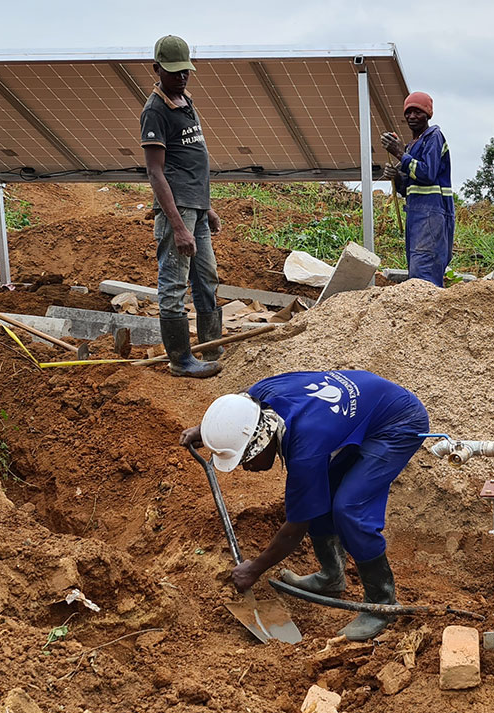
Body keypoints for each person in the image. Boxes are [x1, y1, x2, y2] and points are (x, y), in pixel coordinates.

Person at [180, 370, 430, 640]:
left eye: (245, 458)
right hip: (357, 411)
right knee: (319, 495)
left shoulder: (305, 452)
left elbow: (295, 528)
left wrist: (254, 569)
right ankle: (332, 576)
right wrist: (208, 432)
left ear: (261, 442)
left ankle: (381, 604)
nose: (245, 468)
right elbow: (236, 412)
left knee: (350, 509)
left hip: (397, 422)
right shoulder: (260, 396)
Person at [140, 35, 222, 379]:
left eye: (185, 71)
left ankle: (212, 347)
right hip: (178, 211)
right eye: (173, 72)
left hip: (196, 207)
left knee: (207, 278)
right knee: (174, 285)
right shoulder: (155, 111)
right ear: (157, 69)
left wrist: (207, 206)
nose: (181, 77)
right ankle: (180, 360)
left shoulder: (185, 101)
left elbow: (193, 161)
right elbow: (155, 172)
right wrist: (177, 226)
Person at [380, 92, 454, 287]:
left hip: (431, 214)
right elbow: (409, 188)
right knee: (417, 270)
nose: (412, 116)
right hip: (416, 215)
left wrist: (399, 154)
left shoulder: (433, 137)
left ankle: (430, 305)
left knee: (425, 272)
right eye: (409, 112)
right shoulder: (412, 147)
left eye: (418, 112)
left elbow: (427, 173)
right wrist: (397, 177)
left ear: (428, 115)